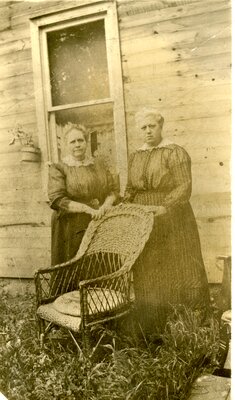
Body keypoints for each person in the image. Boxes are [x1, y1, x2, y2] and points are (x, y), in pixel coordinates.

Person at [124, 108, 210, 336]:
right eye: (143, 127)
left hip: (172, 218)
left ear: (161, 126)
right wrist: (127, 211)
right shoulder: (135, 156)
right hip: (144, 221)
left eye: (152, 126)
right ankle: (152, 323)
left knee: (177, 266)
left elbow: (184, 186)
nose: (148, 131)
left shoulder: (175, 152)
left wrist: (164, 208)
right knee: (149, 269)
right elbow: (130, 189)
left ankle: (182, 324)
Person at [48, 123, 118, 266]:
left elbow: (113, 190)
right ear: (66, 145)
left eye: (80, 140)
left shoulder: (99, 165)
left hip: (98, 219)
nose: (77, 145)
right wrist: (87, 209)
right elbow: (57, 199)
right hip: (70, 226)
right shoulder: (59, 168)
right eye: (72, 142)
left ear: (86, 142)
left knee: (98, 264)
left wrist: (105, 206)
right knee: (74, 265)